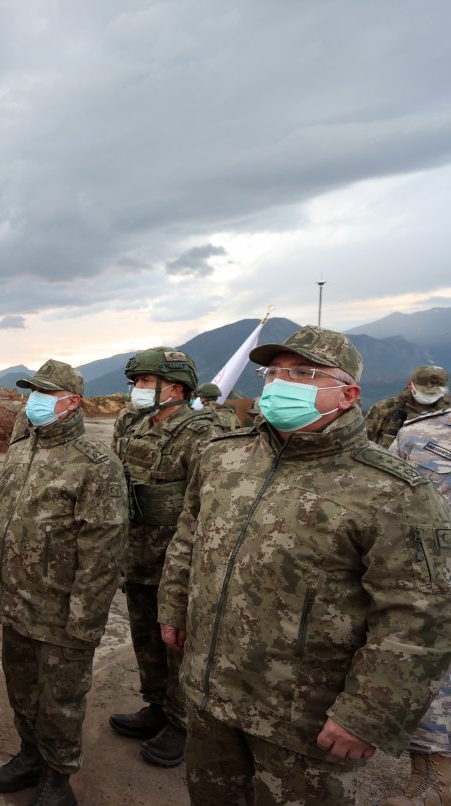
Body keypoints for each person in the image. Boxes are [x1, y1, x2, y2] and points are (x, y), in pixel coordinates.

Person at [158, 326, 451, 804]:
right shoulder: (224, 457)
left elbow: (419, 617)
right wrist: (172, 607)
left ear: (349, 393)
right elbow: (189, 535)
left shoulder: (395, 493)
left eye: (302, 373)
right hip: (211, 690)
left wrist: (368, 714)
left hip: (303, 717)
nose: (279, 383)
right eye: (272, 372)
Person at [0, 360, 128, 805]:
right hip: (16, 599)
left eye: (44, 394)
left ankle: (59, 777)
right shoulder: (23, 449)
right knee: (21, 686)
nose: (34, 402)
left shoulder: (96, 464)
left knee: (61, 700)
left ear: (71, 403)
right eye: (31, 393)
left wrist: (84, 621)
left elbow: (103, 553)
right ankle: (30, 754)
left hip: (62, 610)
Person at [108, 348, 218, 768]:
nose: (137, 390)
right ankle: (156, 704)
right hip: (137, 557)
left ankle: (182, 721)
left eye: (145, 383)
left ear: (174, 388)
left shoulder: (200, 433)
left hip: (174, 563)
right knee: (146, 639)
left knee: (178, 645)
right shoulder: (137, 427)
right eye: (135, 382)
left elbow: (204, 507)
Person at [386, 408, 451, 805]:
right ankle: (435, 777)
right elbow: (382, 506)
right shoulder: (419, 435)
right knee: (431, 681)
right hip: (433, 592)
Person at [365, 365, 450, 448]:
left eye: (435, 392)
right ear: (410, 384)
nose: (430, 395)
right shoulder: (384, 408)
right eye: (425, 391)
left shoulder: (448, 412)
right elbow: (362, 441)